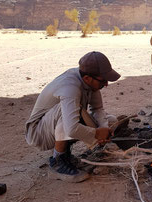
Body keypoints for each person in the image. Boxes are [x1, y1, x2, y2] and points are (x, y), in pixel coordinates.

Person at [25, 51, 121, 182]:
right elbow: (71, 129)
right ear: (87, 78)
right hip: (39, 133)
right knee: (66, 113)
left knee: (111, 121)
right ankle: (58, 162)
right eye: (103, 80)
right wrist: (97, 134)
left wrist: (103, 128)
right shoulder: (70, 87)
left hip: (57, 125)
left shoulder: (88, 80)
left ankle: (66, 154)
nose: (106, 84)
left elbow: (97, 109)